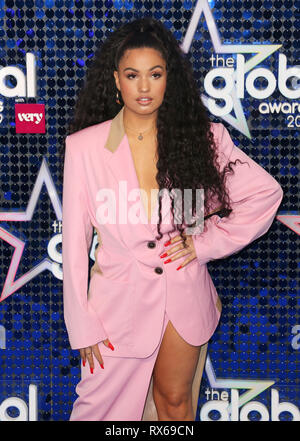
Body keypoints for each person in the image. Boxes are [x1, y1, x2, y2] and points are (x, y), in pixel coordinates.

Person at [61, 17, 284, 421]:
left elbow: (265, 195)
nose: (144, 87)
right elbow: (75, 245)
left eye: (155, 74)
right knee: (98, 412)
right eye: (132, 75)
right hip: (114, 309)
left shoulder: (205, 139)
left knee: (176, 406)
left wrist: (204, 243)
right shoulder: (84, 149)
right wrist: (82, 324)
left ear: (169, 79)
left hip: (183, 298)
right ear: (116, 80)